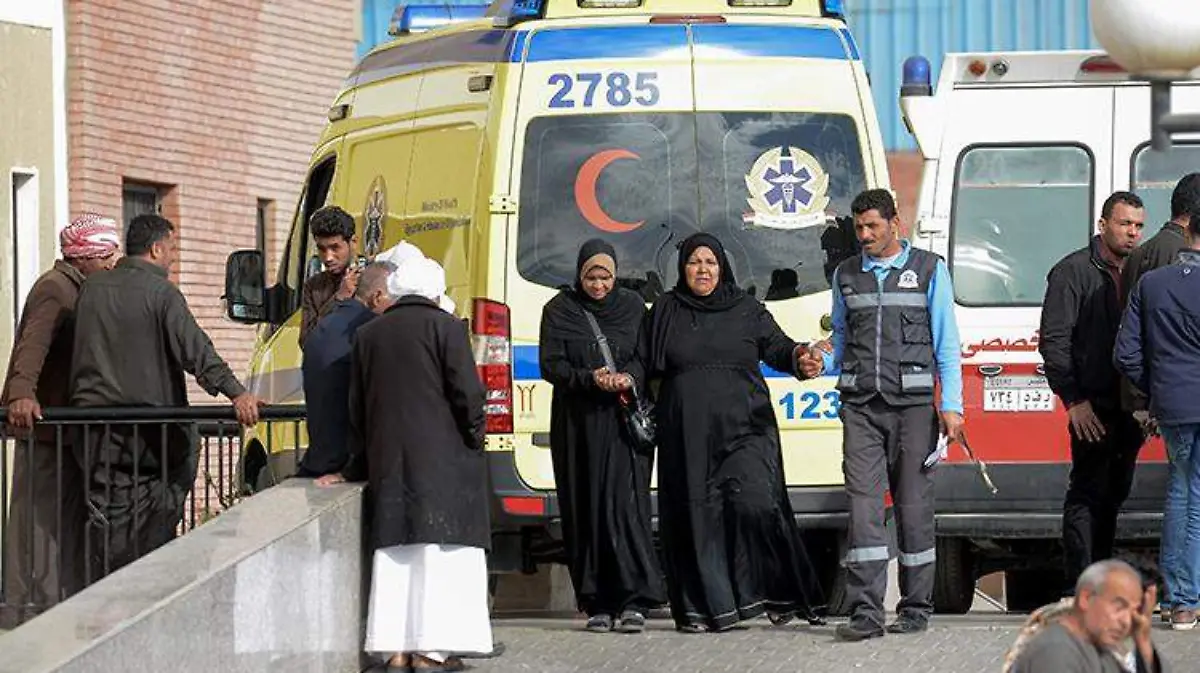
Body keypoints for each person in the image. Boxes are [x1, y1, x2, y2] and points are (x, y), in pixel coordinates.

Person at [625, 232, 824, 633]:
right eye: (694, 262)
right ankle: (703, 610)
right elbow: (642, 361)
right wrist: (624, 379)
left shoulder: (746, 308)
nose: (703, 270)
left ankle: (775, 593)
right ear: (682, 268)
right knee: (698, 517)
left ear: (723, 267)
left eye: (710, 262)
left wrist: (800, 358)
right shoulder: (665, 310)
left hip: (747, 428)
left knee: (757, 504)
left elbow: (779, 347)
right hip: (687, 434)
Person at [803, 188, 964, 641]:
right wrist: (820, 360)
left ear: (895, 224)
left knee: (913, 509)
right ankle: (866, 612)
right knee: (863, 510)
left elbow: (947, 344)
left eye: (873, 226)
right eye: (859, 227)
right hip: (861, 410)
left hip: (913, 410)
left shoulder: (929, 270)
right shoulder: (846, 275)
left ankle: (915, 607)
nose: (865, 235)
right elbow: (840, 340)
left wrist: (952, 406)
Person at [318, 256, 492, 672]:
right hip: (444, 465)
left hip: (389, 462)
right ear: (433, 291)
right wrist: (474, 438)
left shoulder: (368, 334)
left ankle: (395, 649)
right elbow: (468, 396)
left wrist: (355, 465)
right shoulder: (447, 329)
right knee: (440, 556)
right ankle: (431, 651)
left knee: (397, 558)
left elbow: (358, 408)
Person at [69, 214, 262, 580]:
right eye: (172, 249)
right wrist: (237, 392)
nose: (173, 257)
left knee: (110, 524)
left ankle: (108, 594)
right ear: (156, 249)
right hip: (151, 437)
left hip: (94, 432)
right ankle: (149, 579)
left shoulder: (90, 290)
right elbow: (196, 351)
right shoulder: (161, 293)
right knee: (164, 500)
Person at [538, 239, 665, 633]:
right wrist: (588, 378)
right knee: (587, 506)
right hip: (579, 425)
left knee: (625, 507)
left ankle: (634, 599)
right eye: (591, 278)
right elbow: (550, 365)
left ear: (615, 275)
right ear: (579, 275)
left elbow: (645, 356)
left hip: (622, 423)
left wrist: (628, 377)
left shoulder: (632, 307)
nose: (598, 285)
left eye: (605, 277)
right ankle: (597, 601)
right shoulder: (559, 310)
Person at [0, 213, 120, 625]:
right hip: (44, 431)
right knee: (37, 526)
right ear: (83, 256)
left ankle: (55, 609)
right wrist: (21, 394)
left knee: (59, 526)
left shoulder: (78, 289)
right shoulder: (55, 288)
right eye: (106, 255)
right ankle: (28, 614)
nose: (112, 263)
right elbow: (32, 346)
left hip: (63, 432)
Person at [1040, 191, 1147, 591]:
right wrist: (1074, 400)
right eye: (1124, 224)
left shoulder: (1139, 271)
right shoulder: (1072, 271)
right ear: (1103, 225)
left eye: (1138, 225)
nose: (1132, 232)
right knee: (1087, 492)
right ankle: (1081, 585)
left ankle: (1100, 580)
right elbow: (1054, 341)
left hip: (1129, 404)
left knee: (1116, 492)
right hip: (1091, 403)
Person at [1114, 202, 1200, 631]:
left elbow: (1125, 353)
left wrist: (1157, 385)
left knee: (1180, 493)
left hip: (1172, 404)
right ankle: (1186, 600)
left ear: (1187, 233)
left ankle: (1174, 598)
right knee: (1195, 498)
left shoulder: (1151, 284)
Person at [296, 260, 394, 478]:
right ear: (377, 297)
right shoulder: (371, 331)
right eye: (394, 299)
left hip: (319, 460)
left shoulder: (323, 326)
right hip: (351, 467)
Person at [1118, 173, 1200, 432]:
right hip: (1169, 400)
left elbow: (1128, 336)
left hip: (1143, 395)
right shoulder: (1184, 258)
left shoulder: (1138, 253)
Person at [1006, 559, 1167, 673]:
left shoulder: (1099, 647)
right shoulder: (1056, 650)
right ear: (1086, 598)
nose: (1126, 621)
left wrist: (1143, 639)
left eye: (1135, 611)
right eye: (1119, 607)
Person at [300, 205, 360, 347]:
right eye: (322, 249)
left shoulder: (372, 279)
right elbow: (307, 342)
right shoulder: (314, 286)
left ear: (353, 243)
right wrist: (339, 298)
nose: (328, 257)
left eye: (335, 248)